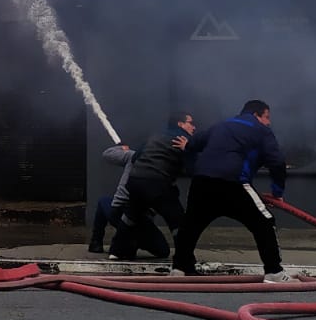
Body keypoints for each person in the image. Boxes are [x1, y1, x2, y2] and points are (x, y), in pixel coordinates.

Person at [172, 100, 294, 282]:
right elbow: (276, 162)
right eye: (267, 117)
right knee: (265, 222)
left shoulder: (221, 125)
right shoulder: (261, 130)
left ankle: (179, 269)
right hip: (234, 182)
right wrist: (277, 192)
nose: (269, 122)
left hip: (201, 182)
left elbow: (196, 142)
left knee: (190, 225)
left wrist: (186, 146)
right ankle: (274, 272)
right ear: (256, 115)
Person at [97, 111, 194, 261]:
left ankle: (116, 252)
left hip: (135, 183)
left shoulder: (154, 136)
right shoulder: (184, 139)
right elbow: (191, 167)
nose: (194, 127)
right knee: (177, 220)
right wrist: (186, 151)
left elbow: (136, 156)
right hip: (158, 184)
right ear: (180, 124)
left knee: (130, 216)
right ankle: (185, 257)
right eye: (190, 123)